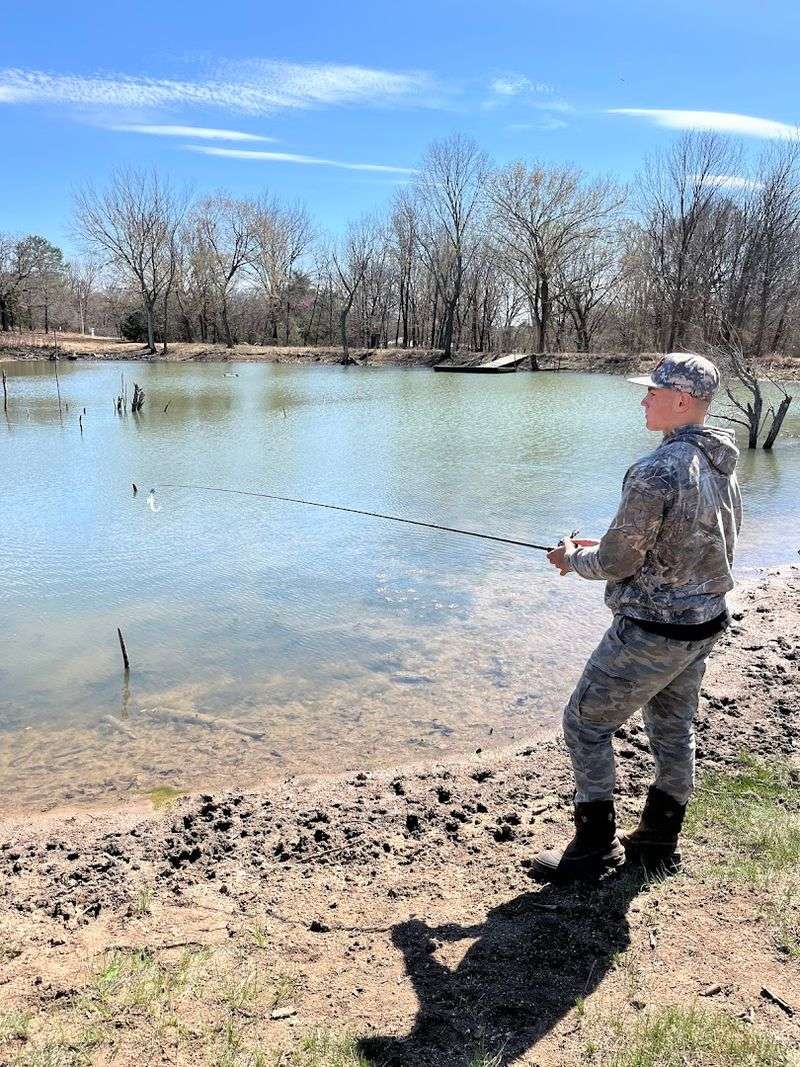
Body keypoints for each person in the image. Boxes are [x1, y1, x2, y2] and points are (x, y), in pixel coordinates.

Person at [532, 353, 742, 880]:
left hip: (653, 629)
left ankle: (594, 847)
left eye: (653, 392)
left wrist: (572, 560)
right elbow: (693, 540)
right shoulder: (720, 461)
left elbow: (616, 563)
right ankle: (658, 838)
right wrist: (601, 546)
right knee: (674, 727)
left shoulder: (655, 470)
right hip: (705, 622)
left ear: (682, 401)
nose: (644, 400)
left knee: (584, 723)